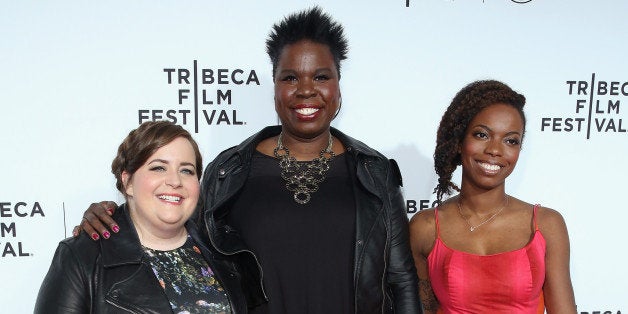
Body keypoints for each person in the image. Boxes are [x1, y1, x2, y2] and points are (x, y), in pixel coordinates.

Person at [75, 7, 420, 314]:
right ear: (274, 86)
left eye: (320, 76)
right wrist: (114, 218)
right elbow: (175, 243)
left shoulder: (373, 172)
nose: (305, 90)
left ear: (338, 86)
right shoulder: (229, 172)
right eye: (290, 77)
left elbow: (402, 282)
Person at [36, 121, 248, 313]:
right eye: (158, 168)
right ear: (127, 182)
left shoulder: (223, 251)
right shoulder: (82, 257)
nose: (175, 180)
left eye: (186, 171)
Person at [409, 80, 577, 313]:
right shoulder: (425, 227)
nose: (495, 150)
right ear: (459, 141)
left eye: (511, 140)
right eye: (482, 135)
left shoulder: (546, 224)